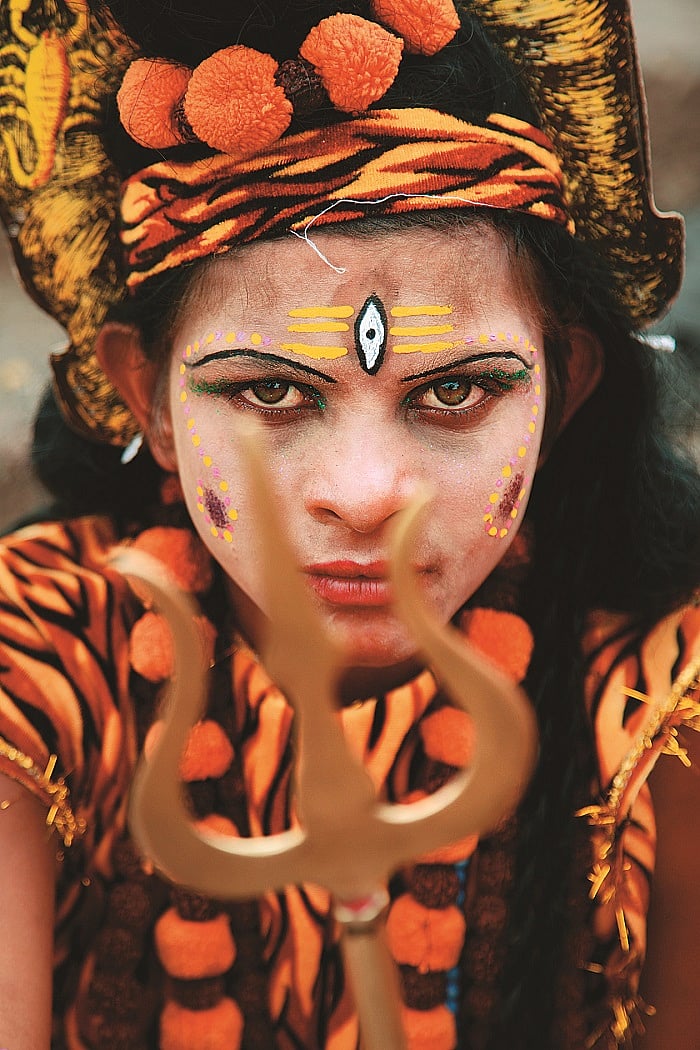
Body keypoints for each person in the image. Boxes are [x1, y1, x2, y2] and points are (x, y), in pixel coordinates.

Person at [0, 1, 698, 1048]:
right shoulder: (37, 660)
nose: (367, 493)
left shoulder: (662, 712)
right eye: (271, 395)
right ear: (147, 400)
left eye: (455, 393)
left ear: (562, 391)